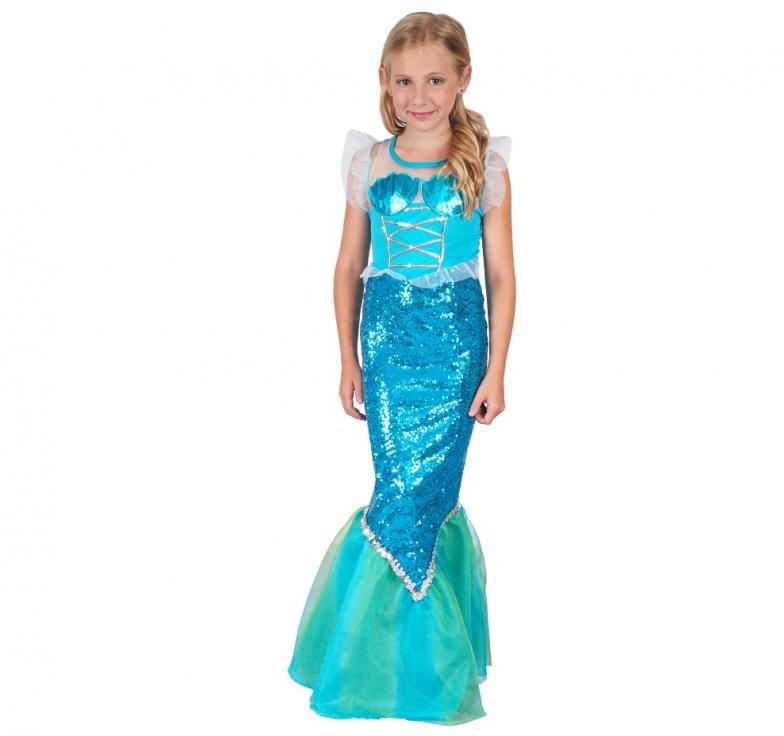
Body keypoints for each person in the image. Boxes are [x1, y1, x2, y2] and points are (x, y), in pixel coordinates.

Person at [287, 11, 515, 726]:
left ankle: (415, 673)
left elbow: (501, 276)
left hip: (455, 349)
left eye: (436, 81)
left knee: (425, 498)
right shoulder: (369, 162)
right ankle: (382, 665)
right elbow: (347, 266)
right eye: (406, 81)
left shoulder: (484, 164)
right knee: (397, 494)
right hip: (387, 347)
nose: (421, 96)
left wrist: (497, 370)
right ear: (384, 81)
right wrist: (347, 358)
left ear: (463, 80)